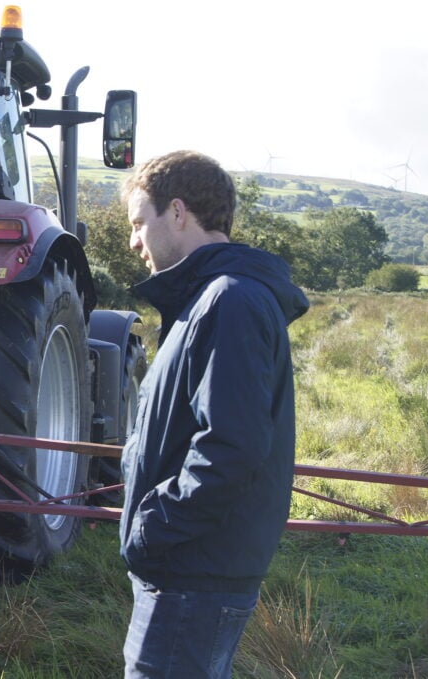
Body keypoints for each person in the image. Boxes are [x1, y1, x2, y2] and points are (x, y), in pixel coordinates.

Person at [117, 151, 309, 678]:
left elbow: (231, 446)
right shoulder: (206, 299)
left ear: (177, 212)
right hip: (187, 567)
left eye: (139, 223)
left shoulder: (230, 301)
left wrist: (157, 525)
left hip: (193, 571)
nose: (134, 242)